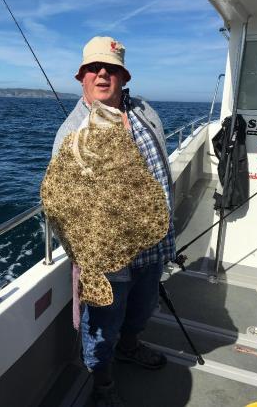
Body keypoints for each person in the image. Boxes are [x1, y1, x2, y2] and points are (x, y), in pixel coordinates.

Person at [52, 36, 176, 407]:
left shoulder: (143, 110)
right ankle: (101, 382)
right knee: (102, 324)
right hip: (106, 257)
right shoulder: (71, 131)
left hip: (153, 241)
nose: (103, 73)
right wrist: (84, 254)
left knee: (142, 308)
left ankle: (131, 346)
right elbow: (59, 202)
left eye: (112, 68)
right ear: (82, 78)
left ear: (124, 76)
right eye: (94, 68)